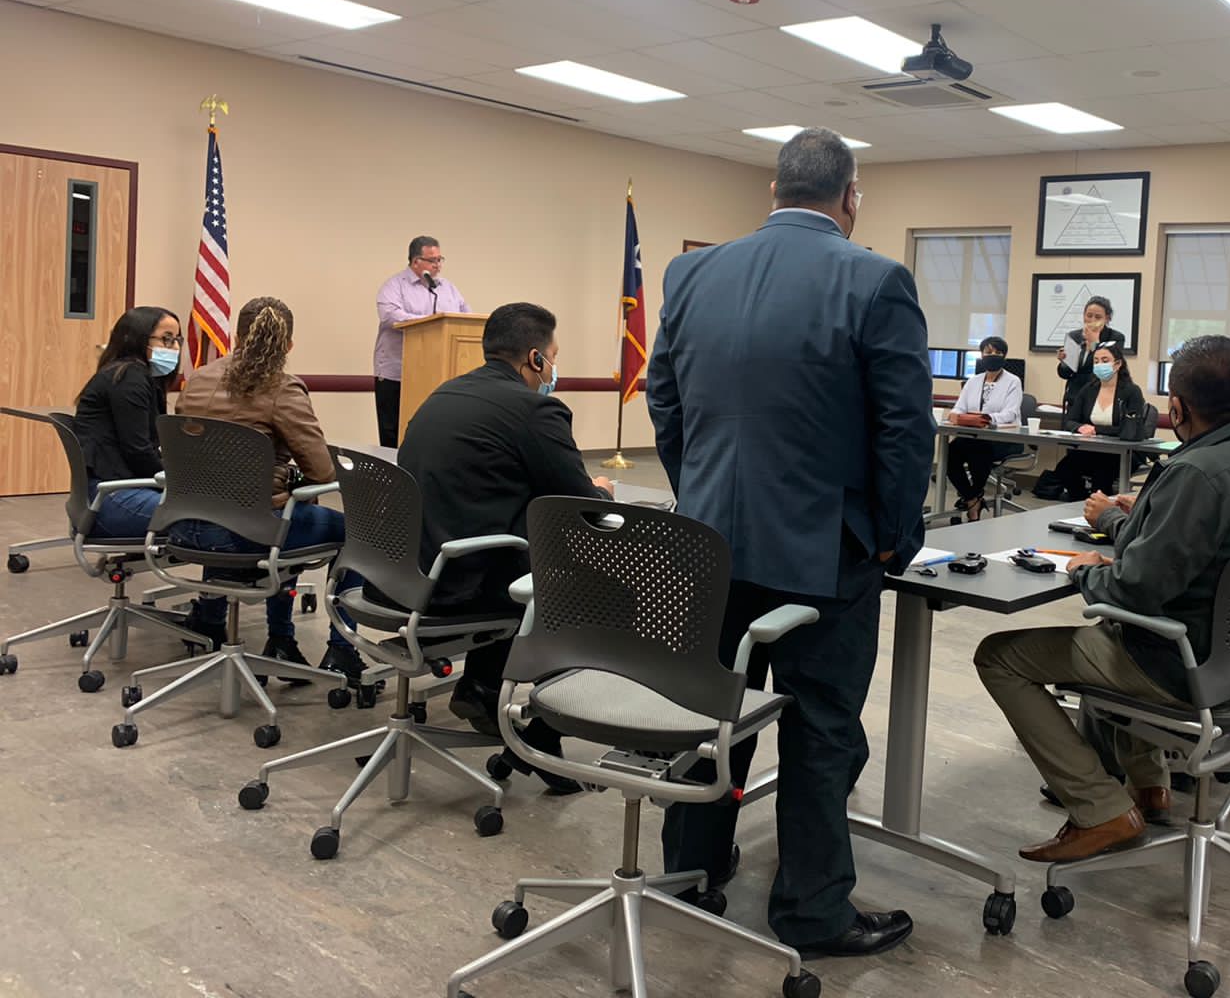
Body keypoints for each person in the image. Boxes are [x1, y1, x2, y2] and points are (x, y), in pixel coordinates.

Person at [648, 128, 932, 958]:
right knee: (820, 731)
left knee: (711, 715)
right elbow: (904, 428)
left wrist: (699, 491)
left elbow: (666, 401)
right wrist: (894, 537)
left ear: (772, 191)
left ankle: (691, 872)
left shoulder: (690, 273)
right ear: (851, 199)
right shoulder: (877, 279)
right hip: (825, 553)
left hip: (708, 545)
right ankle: (811, 913)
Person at [975, 335, 1230, 863]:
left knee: (1001, 657)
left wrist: (1088, 571)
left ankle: (1101, 809)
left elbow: (1134, 589)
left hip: (1190, 668)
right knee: (1113, 633)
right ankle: (1150, 786)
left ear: (1177, 408)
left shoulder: (1197, 473)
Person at [391, 301, 612, 792]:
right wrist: (602, 491)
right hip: (460, 584)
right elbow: (581, 506)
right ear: (535, 358)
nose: (553, 369)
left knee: (517, 550)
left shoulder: (444, 393)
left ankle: (483, 685)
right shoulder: (536, 409)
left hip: (407, 570)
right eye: (553, 357)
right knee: (594, 583)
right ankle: (542, 736)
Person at [172, 297, 364, 680]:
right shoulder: (282, 388)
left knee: (254, 507)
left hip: (183, 525)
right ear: (288, 345)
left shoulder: (198, 379)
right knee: (352, 532)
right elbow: (322, 471)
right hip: (245, 535)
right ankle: (340, 649)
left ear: (236, 336)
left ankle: (214, 622)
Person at [73, 306, 183, 539]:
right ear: (137, 338)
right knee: (211, 515)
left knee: (209, 509)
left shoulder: (134, 375)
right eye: (166, 339)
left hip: (114, 491)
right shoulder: (129, 378)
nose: (175, 347)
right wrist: (181, 482)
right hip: (111, 497)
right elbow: (138, 450)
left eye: (177, 339)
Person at [373, 236, 469, 448]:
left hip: (438, 376)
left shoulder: (448, 288)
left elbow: (464, 318)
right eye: (432, 260)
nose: (438, 265)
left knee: (432, 435)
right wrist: (429, 323)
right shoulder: (394, 286)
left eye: (440, 259)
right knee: (394, 436)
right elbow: (390, 316)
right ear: (415, 261)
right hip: (397, 375)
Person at [1050, 342, 1148, 499]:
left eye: (1105, 360)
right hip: (1092, 449)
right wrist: (1080, 427)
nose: (1099, 365)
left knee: (1101, 477)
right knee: (1064, 470)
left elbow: (1129, 429)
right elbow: (1070, 420)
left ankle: (1099, 506)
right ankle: (1081, 501)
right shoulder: (1088, 390)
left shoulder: (1131, 391)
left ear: (1117, 364)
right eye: (1096, 361)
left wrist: (1097, 430)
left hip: (1120, 453)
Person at [943, 335, 1022, 521]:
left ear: (1004, 356)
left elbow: (1010, 413)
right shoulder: (973, 381)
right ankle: (973, 497)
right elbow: (959, 407)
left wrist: (986, 418)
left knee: (978, 449)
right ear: (981, 355)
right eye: (988, 352)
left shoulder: (1013, 381)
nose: (992, 355)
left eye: (997, 352)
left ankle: (973, 498)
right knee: (950, 452)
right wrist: (956, 415)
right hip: (974, 436)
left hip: (1003, 438)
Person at [1056, 295, 1125, 410]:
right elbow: (1065, 374)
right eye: (1089, 315)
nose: (1092, 320)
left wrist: (1094, 343)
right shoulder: (1074, 336)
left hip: (1100, 398)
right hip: (1075, 398)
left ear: (1107, 319)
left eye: (1098, 317)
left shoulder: (1115, 338)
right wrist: (1064, 362)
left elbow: (1108, 369)